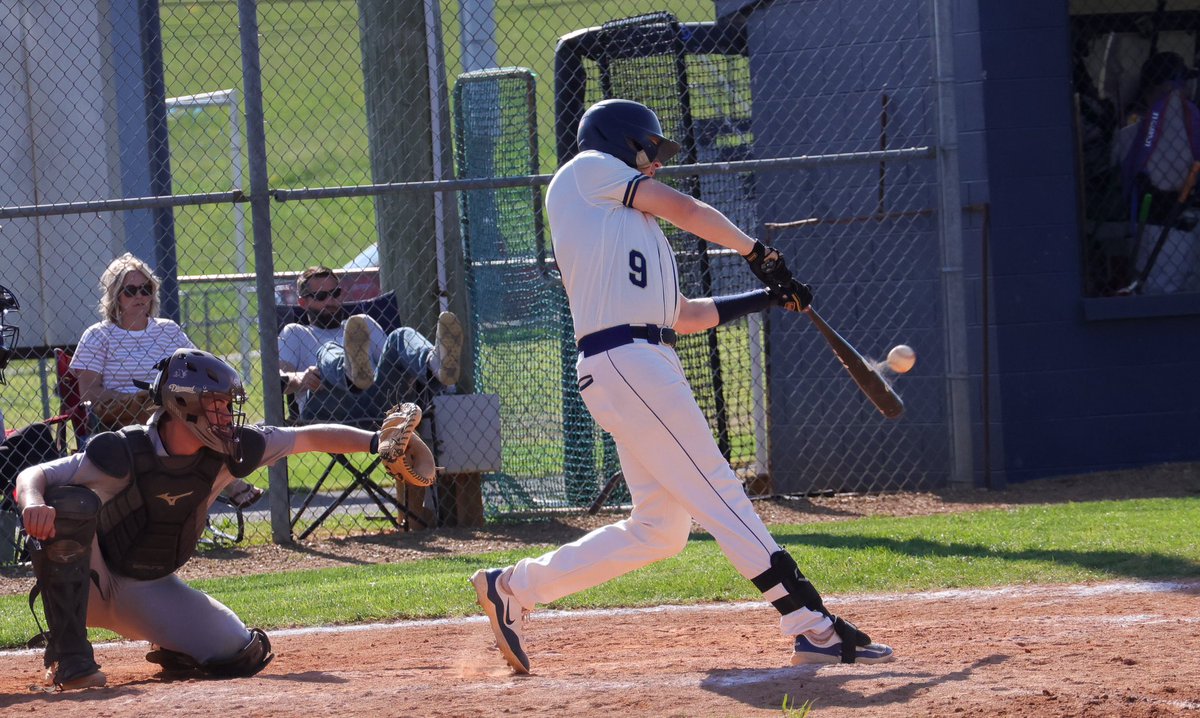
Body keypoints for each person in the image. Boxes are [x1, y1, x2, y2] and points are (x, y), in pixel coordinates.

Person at [470, 99, 894, 674]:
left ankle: (512, 588)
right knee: (719, 490)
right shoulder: (586, 171)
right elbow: (685, 208)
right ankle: (811, 624)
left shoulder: (625, 227)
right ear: (623, 143)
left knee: (660, 529)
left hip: (644, 361)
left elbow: (686, 314)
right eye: (650, 151)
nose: (656, 164)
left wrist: (769, 294)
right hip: (625, 360)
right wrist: (755, 252)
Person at [15, 348, 402, 690]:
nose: (226, 416)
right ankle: (70, 658)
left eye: (227, 404)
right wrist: (32, 500)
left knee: (237, 653)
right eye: (216, 403)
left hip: (147, 588)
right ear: (183, 403)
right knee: (69, 502)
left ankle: (172, 644)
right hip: (89, 584)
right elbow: (36, 476)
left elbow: (308, 437)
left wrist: (377, 442)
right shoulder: (123, 451)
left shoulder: (230, 452)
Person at [71, 253, 261, 507]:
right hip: (119, 414)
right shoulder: (99, 335)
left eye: (146, 288)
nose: (140, 296)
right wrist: (135, 399)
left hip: (171, 408)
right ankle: (229, 481)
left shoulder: (167, 330)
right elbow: (89, 393)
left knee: (199, 409)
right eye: (131, 290)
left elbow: (200, 369)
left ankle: (218, 480)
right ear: (115, 295)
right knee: (171, 412)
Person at [278, 265, 463, 424]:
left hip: (377, 405)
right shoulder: (295, 332)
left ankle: (435, 365)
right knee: (328, 350)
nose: (330, 301)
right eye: (320, 296)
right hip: (327, 409)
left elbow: (390, 366)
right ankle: (348, 372)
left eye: (335, 293)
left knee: (400, 335)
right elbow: (278, 380)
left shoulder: (361, 325)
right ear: (303, 302)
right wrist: (302, 378)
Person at [1112, 51, 1200, 294]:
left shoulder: (1192, 122)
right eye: (1178, 85)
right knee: (1162, 295)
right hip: (1162, 227)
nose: (1185, 91)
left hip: (1187, 226)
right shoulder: (1135, 133)